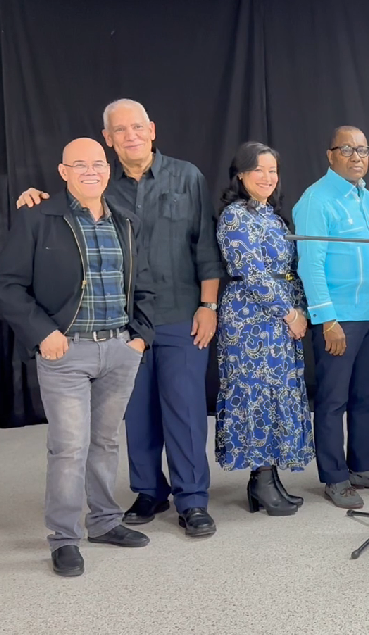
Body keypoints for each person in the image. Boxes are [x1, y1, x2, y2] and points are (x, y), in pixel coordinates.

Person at [15, 99, 224, 537]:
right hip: (125, 324)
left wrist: (209, 306)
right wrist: (36, 196)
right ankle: (148, 491)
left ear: (152, 129)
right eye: (119, 131)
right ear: (108, 139)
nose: (130, 136)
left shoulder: (187, 176)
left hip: (183, 314)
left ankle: (192, 500)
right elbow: (67, 206)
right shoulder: (101, 182)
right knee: (136, 414)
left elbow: (206, 245)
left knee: (185, 410)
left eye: (137, 127)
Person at [0, 138, 155, 577]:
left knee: (104, 442)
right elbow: (7, 284)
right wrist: (43, 332)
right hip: (65, 352)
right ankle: (64, 538)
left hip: (120, 350)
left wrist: (138, 337)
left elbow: (145, 283)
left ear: (108, 169)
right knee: (68, 448)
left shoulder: (126, 220)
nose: (90, 171)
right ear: (63, 172)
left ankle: (104, 522)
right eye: (78, 165)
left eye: (97, 164)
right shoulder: (38, 218)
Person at [293, 126, 369, 509]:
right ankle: (335, 476)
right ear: (330, 155)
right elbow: (311, 264)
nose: (357, 156)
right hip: (339, 319)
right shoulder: (316, 199)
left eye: (363, 149)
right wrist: (327, 319)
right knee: (333, 399)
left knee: (365, 396)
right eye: (347, 149)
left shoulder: (365, 196)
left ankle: (362, 466)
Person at [215, 142, 314, 516]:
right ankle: (260, 482)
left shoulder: (272, 215)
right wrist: (289, 314)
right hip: (251, 319)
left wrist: (299, 309)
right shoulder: (235, 216)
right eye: (260, 170)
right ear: (241, 174)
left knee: (277, 395)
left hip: (281, 316)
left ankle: (269, 478)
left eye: (274, 171)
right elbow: (252, 273)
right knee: (254, 395)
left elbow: (289, 269)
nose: (269, 178)